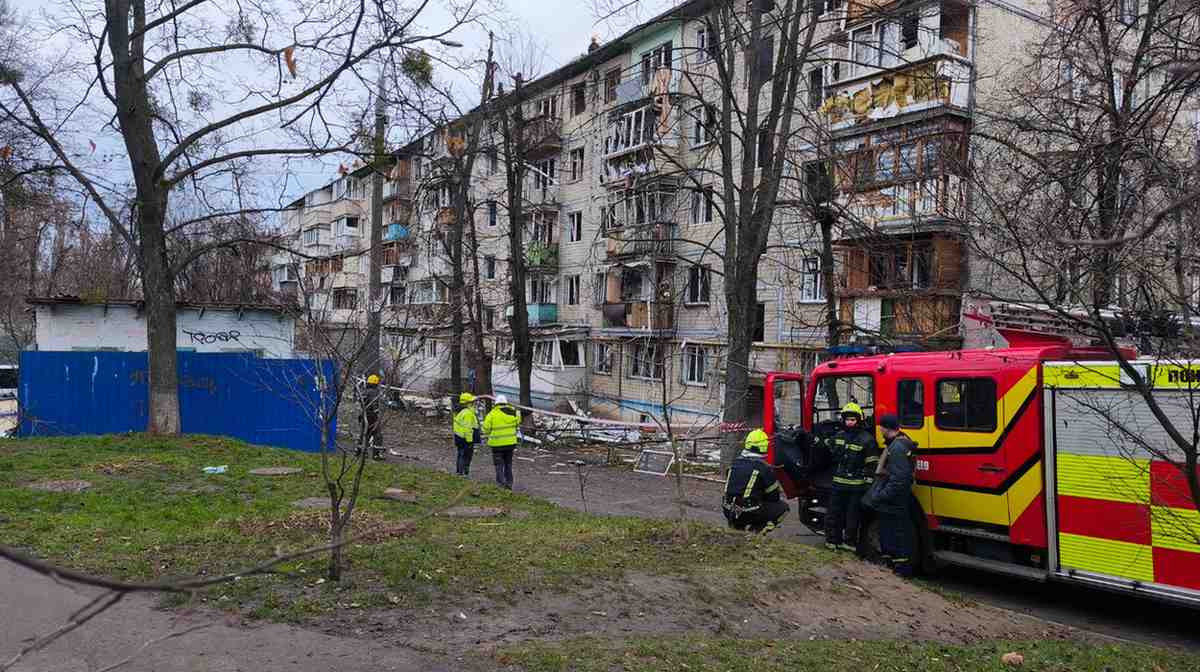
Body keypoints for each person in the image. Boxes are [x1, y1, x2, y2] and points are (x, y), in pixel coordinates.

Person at [823, 402, 880, 553]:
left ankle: (849, 543)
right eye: (847, 419)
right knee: (833, 514)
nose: (849, 422)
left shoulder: (867, 440)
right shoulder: (839, 436)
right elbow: (829, 449)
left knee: (852, 517)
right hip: (838, 484)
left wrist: (868, 486)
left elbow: (872, 465)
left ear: (859, 420)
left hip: (856, 486)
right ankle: (831, 541)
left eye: (852, 420)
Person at [871, 413, 917, 577]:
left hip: (893, 498)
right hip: (895, 497)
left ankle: (901, 568)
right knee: (893, 531)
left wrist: (882, 495)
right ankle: (894, 564)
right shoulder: (901, 442)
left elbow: (898, 478)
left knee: (896, 532)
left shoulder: (897, 448)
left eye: (881, 427)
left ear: (885, 428)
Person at [722, 429, 790, 533]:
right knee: (783, 508)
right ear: (764, 447)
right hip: (749, 512)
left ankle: (736, 529)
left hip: (728, 510)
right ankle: (756, 533)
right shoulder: (764, 468)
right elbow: (774, 497)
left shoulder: (734, 463)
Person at [482, 394, 521, 489]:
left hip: (497, 445)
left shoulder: (492, 414)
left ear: (496, 404)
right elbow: (518, 421)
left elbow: (485, 429)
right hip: (510, 443)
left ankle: (501, 483)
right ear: (506, 403)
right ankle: (509, 482)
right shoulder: (513, 412)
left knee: (499, 464)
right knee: (508, 463)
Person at [452, 392, 480, 476]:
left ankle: (459, 472)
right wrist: (470, 441)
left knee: (460, 455)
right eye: (471, 402)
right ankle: (464, 473)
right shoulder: (468, 413)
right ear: (467, 403)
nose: (474, 403)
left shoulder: (459, 411)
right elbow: (468, 428)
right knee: (466, 456)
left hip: (459, 437)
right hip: (466, 439)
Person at [361, 374, 385, 461]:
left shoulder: (364, 391)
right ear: (376, 384)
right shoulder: (374, 392)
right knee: (377, 435)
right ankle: (376, 454)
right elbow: (374, 404)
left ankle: (360, 451)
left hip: (364, 415)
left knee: (364, 434)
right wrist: (377, 413)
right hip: (372, 416)